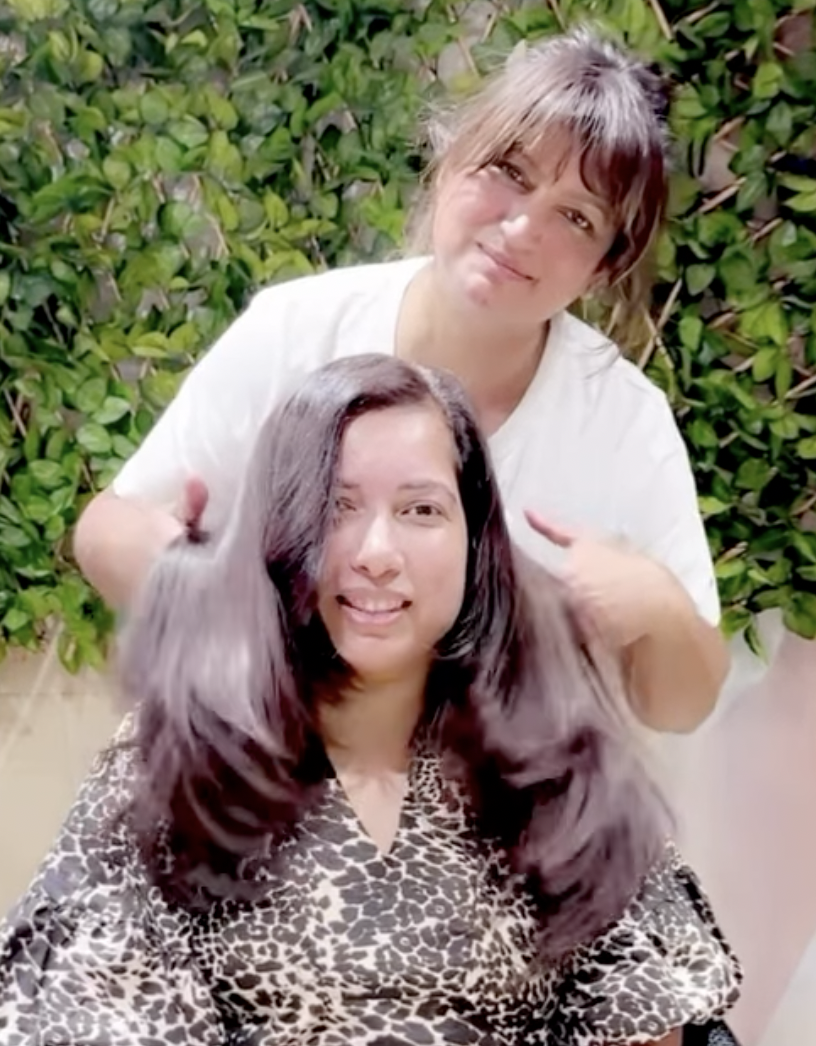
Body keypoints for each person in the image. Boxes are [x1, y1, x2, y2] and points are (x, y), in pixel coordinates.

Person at [1, 356, 740, 1045]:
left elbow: (642, 1014)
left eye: (421, 510)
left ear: (475, 537)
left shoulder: (560, 760)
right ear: (276, 530)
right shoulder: (177, 760)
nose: (377, 554)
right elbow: (98, 1007)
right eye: (336, 507)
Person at [73, 27, 728, 734]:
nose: (521, 227)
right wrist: (200, 588)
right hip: (262, 758)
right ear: (448, 161)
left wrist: (658, 605)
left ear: (605, 266)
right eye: (509, 172)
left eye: (576, 216)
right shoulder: (296, 330)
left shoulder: (624, 422)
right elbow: (108, 530)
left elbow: (681, 705)